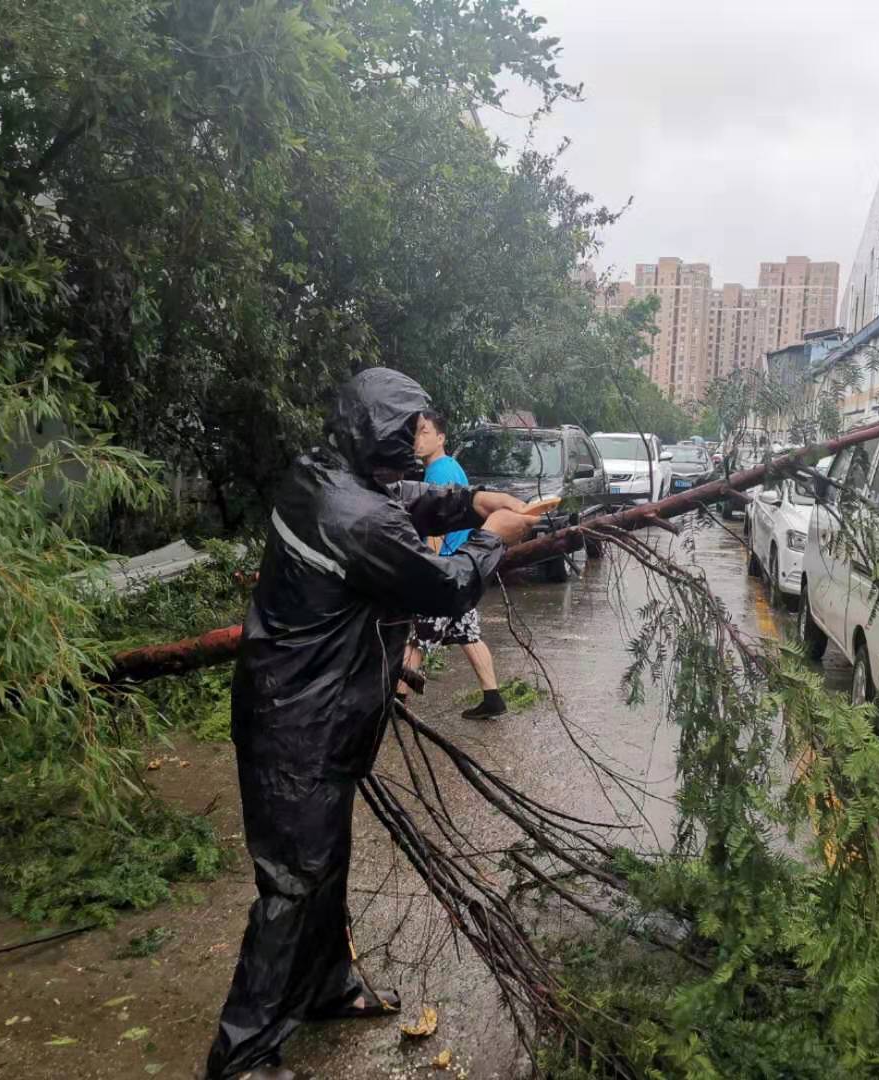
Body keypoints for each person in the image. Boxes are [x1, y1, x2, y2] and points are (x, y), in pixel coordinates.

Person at [204, 368, 533, 1080]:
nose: (420, 445)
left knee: (324, 867)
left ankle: (325, 988)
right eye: (411, 431)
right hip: (298, 724)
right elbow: (442, 584)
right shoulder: (357, 517)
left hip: (313, 717)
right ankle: (242, 1057)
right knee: (294, 884)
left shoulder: (320, 476)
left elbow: (403, 498)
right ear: (382, 435)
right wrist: (492, 537)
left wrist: (472, 499)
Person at [402, 410, 508, 720]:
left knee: (417, 639)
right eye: (415, 433)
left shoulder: (438, 472)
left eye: (424, 432)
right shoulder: (452, 468)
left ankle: (395, 701)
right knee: (468, 635)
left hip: (443, 571)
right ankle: (493, 697)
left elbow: (436, 528)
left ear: (441, 438)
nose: (417, 440)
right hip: (459, 571)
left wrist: (427, 569)